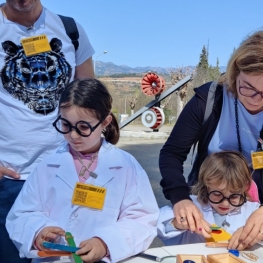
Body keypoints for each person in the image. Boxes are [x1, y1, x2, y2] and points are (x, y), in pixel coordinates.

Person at [6, 78, 159, 263]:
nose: (73, 135)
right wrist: (38, 231)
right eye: (65, 125)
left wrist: (105, 243)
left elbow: (143, 219)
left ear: (105, 122)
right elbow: (22, 214)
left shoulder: (125, 166)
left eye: (83, 127)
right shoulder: (47, 166)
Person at [0, 1, 95, 262]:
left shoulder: (70, 29)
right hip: (10, 178)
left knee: (67, 257)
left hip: (67, 174)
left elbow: (89, 99)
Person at [159, 29, 263, 250]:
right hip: (207, 199)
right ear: (235, 73)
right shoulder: (208, 100)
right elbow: (172, 154)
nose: (256, 100)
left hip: (253, 208)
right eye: (248, 88)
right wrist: (181, 198)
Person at [158, 151, 263, 248]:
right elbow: (159, 224)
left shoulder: (252, 210)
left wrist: (254, 231)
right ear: (206, 186)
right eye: (217, 194)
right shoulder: (192, 204)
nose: (225, 203)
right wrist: (178, 223)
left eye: (234, 196)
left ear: (245, 188)